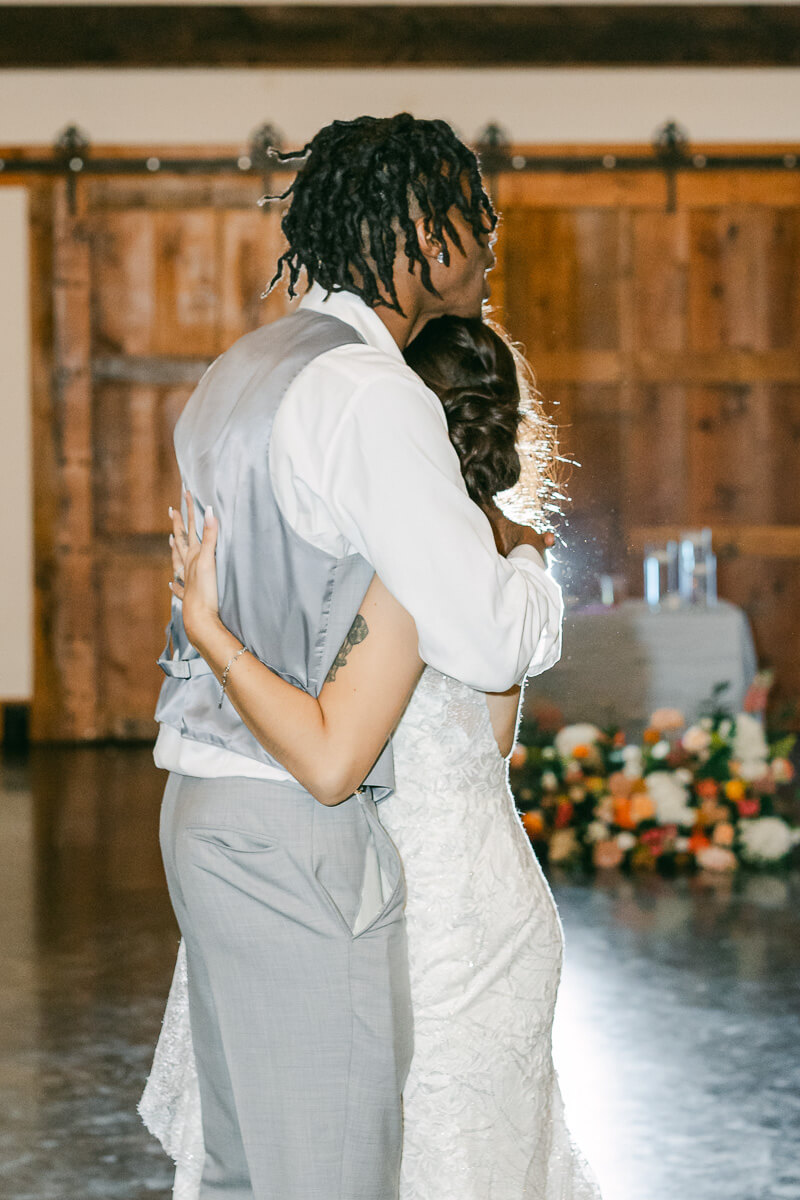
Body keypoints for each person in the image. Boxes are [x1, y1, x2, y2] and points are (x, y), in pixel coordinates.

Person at [148, 113, 564, 1200]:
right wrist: (527, 576)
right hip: (300, 822)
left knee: (251, 1172)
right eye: (477, 225)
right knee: (330, 1175)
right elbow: (478, 640)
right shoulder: (370, 394)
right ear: (424, 237)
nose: (487, 249)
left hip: (206, 807)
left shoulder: (247, 367)